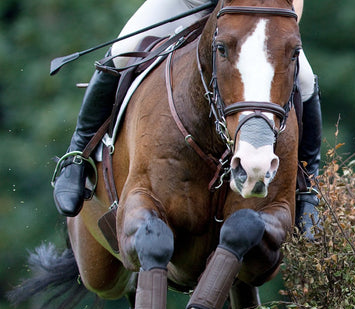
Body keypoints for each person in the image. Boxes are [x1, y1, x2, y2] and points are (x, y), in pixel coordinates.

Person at [52, 0, 322, 238]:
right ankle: (78, 155)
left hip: (252, 12)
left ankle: (308, 188)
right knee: (122, 52)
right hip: (188, 3)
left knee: (305, 78)